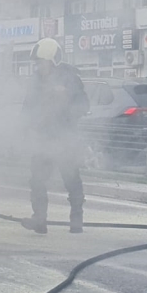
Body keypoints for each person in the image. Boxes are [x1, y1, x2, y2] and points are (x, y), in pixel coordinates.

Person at [20, 38, 89, 235]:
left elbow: (84, 106)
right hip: (43, 139)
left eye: (41, 62)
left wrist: (65, 98)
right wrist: (24, 128)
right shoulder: (35, 81)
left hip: (66, 138)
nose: (38, 67)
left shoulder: (70, 79)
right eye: (37, 63)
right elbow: (27, 108)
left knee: (71, 179)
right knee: (37, 180)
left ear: (53, 61)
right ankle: (39, 220)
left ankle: (76, 221)